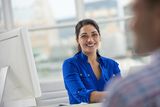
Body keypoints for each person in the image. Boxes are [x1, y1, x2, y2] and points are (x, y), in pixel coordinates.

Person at [103, 0, 160, 107]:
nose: (132, 26)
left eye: (136, 13)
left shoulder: (125, 93)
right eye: (84, 36)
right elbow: (80, 93)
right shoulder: (71, 65)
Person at [62, 19, 121, 104]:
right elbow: (81, 95)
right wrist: (113, 94)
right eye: (84, 36)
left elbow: (121, 91)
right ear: (77, 40)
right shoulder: (70, 64)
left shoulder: (112, 64)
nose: (90, 40)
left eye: (94, 35)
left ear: (99, 37)